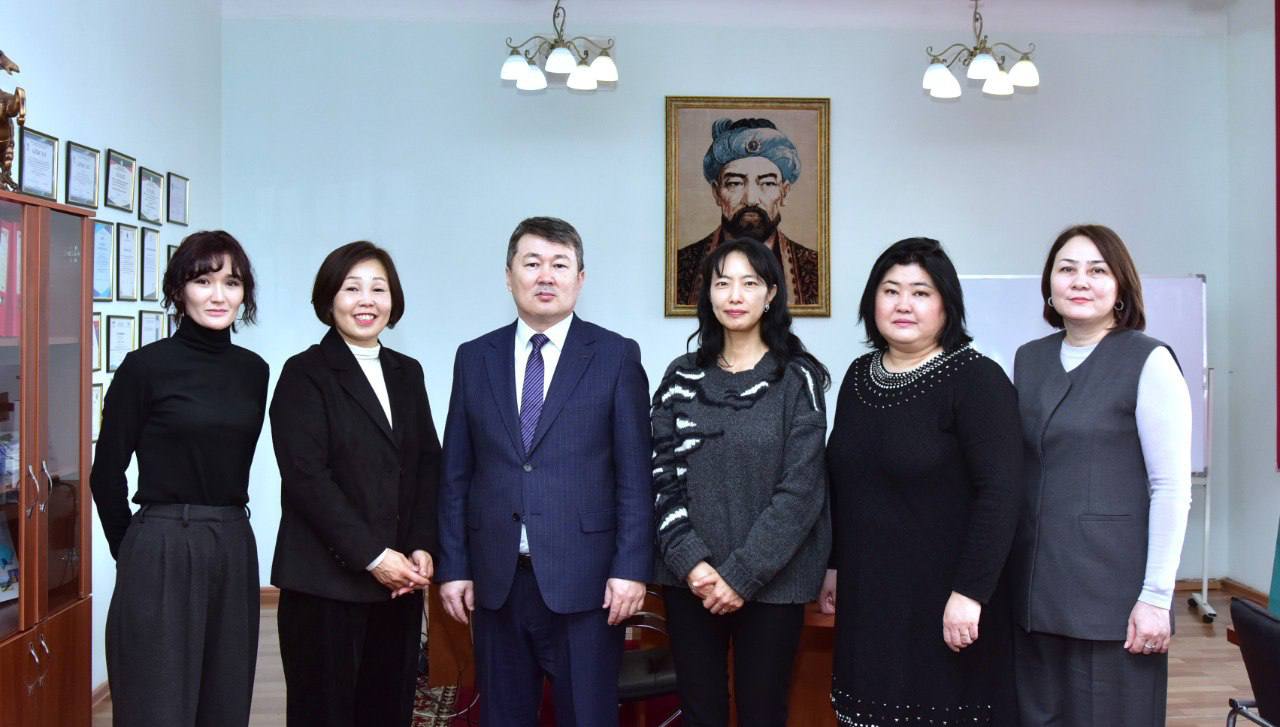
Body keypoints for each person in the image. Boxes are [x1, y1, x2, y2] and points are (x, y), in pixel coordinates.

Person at [437, 216, 653, 727]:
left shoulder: (615, 356)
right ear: (508, 275)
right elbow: (456, 474)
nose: (545, 276)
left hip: (587, 580)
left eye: (560, 264)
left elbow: (634, 475)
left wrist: (631, 567)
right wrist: (454, 565)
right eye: (532, 263)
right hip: (497, 579)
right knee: (503, 716)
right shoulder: (474, 357)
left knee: (588, 716)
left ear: (581, 278)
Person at [823, 237, 1022, 726]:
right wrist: (833, 567)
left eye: (921, 292)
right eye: (890, 291)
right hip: (869, 594)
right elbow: (844, 484)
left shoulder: (978, 380)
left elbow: (1001, 495)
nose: (903, 304)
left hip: (946, 599)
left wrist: (971, 593)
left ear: (946, 304)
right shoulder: (858, 376)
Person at [1010, 224, 1192, 726]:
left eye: (1097, 270)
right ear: (1049, 284)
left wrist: (1156, 597)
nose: (1080, 280)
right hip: (1033, 593)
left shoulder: (1148, 360)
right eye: (1066, 269)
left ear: (1120, 285)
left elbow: (1170, 487)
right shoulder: (1029, 359)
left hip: (1112, 598)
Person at [90, 230, 267, 726]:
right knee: (157, 705)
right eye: (203, 281)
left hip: (233, 540)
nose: (218, 295)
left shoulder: (254, 371)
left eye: (231, 282)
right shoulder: (145, 367)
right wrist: (133, 550)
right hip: (162, 542)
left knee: (225, 703)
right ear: (178, 290)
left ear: (244, 293)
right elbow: (105, 473)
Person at [652, 237, 831, 726]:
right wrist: (691, 563)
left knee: (763, 713)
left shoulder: (797, 379)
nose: (735, 295)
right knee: (700, 713)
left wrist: (741, 575)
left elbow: (801, 492)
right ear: (708, 294)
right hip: (690, 580)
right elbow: (660, 474)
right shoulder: (680, 377)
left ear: (770, 294)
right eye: (722, 283)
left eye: (749, 283)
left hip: (773, 583)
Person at [269, 241, 441, 727]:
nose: (367, 300)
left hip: (398, 586)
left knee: (387, 710)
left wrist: (422, 544)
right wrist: (374, 557)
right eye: (352, 288)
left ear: (393, 300)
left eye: (378, 289)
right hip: (325, 585)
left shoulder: (407, 373)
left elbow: (428, 464)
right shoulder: (304, 373)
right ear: (329, 300)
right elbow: (307, 479)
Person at [676, 117, 819, 306]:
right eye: (735, 183)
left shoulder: (814, 267)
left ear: (784, 192)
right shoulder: (681, 266)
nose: (751, 199)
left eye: (767, 183)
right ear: (717, 193)